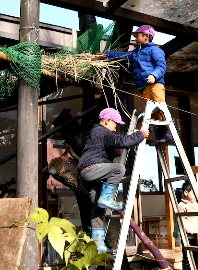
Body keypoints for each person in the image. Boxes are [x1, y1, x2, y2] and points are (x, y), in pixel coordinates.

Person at [78, 108, 149, 254]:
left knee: (98, 210)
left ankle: (98, 245)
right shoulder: (101, 131)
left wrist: (123, 149)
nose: (116, 127)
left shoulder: (97, 134)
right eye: (115, 123)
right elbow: (120, 141)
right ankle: (107, 197)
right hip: (91, 168)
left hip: (89, 174)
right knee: (118, 169)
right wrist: (140, 135)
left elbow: (113, 148)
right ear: (107, 121)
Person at [96, 25, 171, 146]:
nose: (135, 38)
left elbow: (161, 66)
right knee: (154, 112)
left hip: (155, 84)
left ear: (146, 36)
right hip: (145, 86)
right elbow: (122, 55)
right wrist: (106, 54)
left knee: (159, 105)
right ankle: (161, 135)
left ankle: (167, 133)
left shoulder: (155, 50)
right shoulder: (136, 53)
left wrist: (154, 75)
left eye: (137, 36)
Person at [178, 180, 198, 270]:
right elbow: (182, 222)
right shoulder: (181, 206)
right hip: (188, 236)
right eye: (194, 193)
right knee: (188, 257)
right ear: (186, 193)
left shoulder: (197, 205)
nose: (196, 196)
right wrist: (191, 230)